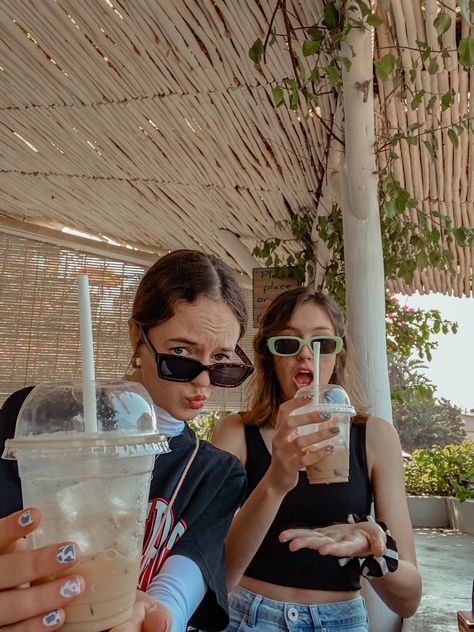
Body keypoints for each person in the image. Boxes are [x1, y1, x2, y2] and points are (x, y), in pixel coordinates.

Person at [0, 249, 255, 631]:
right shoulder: (39, 420)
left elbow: (177, 590)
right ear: (138, 335)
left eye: (220, 361)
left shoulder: (215, 473)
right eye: (181, 353)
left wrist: (152, 617)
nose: (203, 382)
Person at [212, 286, 422, 631]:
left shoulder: (375, 437)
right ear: (270, 355)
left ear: (338, 354)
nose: (306, 355)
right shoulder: (236, 432)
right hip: (248, 617)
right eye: (288, 343)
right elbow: (219, 574)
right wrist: (276, 479)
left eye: (323, 343)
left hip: (340, 620)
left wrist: (372, 551)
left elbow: (408, 599)